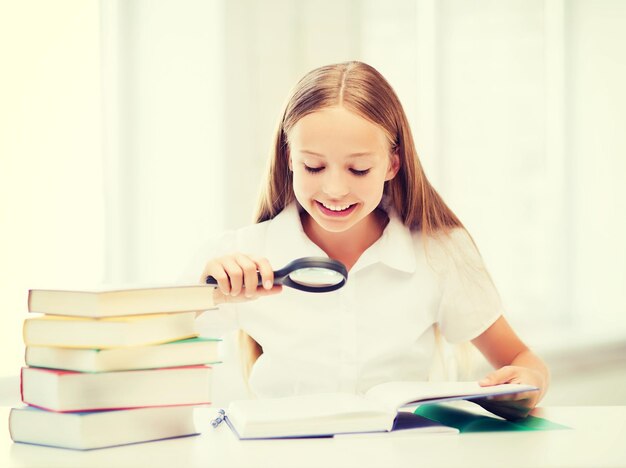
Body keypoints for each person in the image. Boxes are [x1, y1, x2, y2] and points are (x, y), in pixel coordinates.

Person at [199, 61, 549, 420]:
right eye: (314, 167)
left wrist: (527, 382)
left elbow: (523, 362)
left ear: (392, 164)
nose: (335, 189)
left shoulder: (439, 252)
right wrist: (203, 289)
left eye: (359, 169)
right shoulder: (242, 255)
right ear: (290, 158)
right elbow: (153, 341)